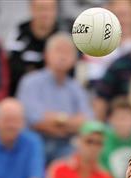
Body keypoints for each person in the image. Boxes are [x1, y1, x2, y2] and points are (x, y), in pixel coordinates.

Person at [16, 32, 93, 164]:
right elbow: (36, 120)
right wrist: (68, 121)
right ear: (46, 55)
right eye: (58, 51)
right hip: (36, 142)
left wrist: (57, 120)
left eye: (68, 52)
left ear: (74, 59)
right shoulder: (30, 82)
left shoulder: (76, 87)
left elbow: (87, 121)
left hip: (67, 145)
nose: (63, 56)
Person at [6, 0, 60, 95]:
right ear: (32, 9)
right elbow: (13, 70)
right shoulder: (19, 32)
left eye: (50, 9)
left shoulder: (63, 35)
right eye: (41, 9)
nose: (45, 14)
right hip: (22, 93)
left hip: (57, 93)